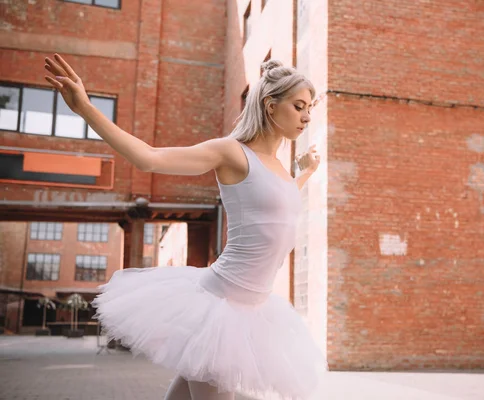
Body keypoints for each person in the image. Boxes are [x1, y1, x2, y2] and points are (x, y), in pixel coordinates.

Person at [44, 54, 327, 400]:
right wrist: (86, 108)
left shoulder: (280, 169)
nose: (307, 116)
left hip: (256, 309)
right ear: (270, 105)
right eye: (299, 106)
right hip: (220, 305)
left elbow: (275, 206)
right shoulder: (231, 153)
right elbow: (149, 157)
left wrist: (306, 173)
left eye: (310, 107)